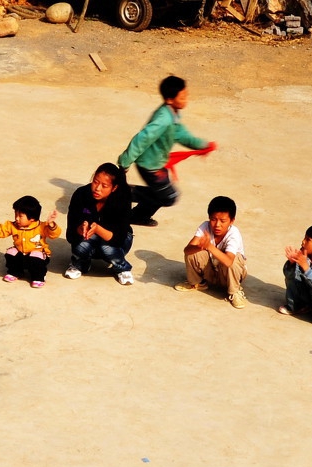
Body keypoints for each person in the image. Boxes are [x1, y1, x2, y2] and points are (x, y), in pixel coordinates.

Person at [116, 75, 214, 227]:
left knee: (161, 195)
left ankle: (137, 215)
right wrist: (125, 161)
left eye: (186, 95)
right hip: (149, 165)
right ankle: (125, 193)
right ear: (169, 99)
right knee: (169, 197)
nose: (186, 100)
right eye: (182, 97)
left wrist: (202, 145)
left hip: (158, 163)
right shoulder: (163, 119)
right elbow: (142, 139)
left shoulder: (172, 113)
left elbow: (181, 135)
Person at [65, 163, 136, 286]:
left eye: (104, 186)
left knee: (106, 248)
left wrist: (97, 229)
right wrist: (80, 229)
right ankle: (81, 263)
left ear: (114, 188)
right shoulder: (81, 195)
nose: (97, 188)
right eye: (95, 182)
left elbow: (119, 239)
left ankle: (122, 267)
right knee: (79, 246)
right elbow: (70, 236)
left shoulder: (122, 199)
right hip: (89, 238)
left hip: (117, 242)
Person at [174, 195, 247, 309]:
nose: (217, 225)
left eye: (223, 221)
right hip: (211, 271)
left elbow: (228, 262)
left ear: (231, 221)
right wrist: (200, 247)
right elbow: (187, 250)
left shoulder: (234, 234)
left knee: (235, 259)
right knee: (193, 251)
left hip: (227, 275)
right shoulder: (205, 227)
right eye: (213, 219)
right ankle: (197, 283)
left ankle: (234, 292)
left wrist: (209, 246)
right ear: (209, 217)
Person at [0, 195, 61, 288]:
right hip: (21, 254)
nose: (16, 218)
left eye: (20, 216)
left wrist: (51, 225)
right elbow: (1, 232)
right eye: (16, 214)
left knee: (36, 257)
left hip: (38, 256)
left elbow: (54, 234)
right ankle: (16, 272)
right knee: (11, 252)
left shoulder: (42, 227)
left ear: (32, 218)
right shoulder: (12, 225)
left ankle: (38, 276)